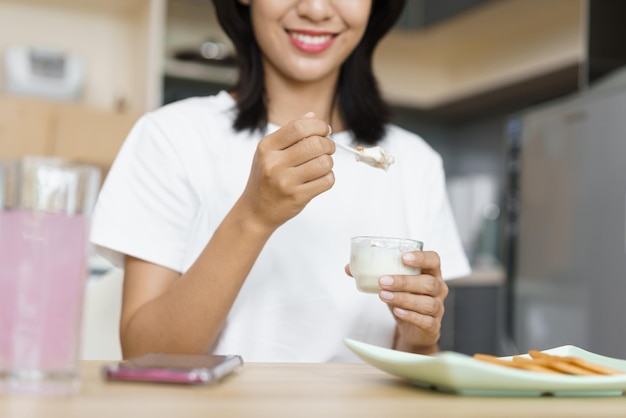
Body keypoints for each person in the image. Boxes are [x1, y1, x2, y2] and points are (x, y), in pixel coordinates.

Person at [90, 0, 471, 362]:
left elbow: (413, 367)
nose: (316, 9)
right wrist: (254, 215)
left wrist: (418, 339)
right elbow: (144, 356)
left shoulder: (415, 161)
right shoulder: (171, 137)